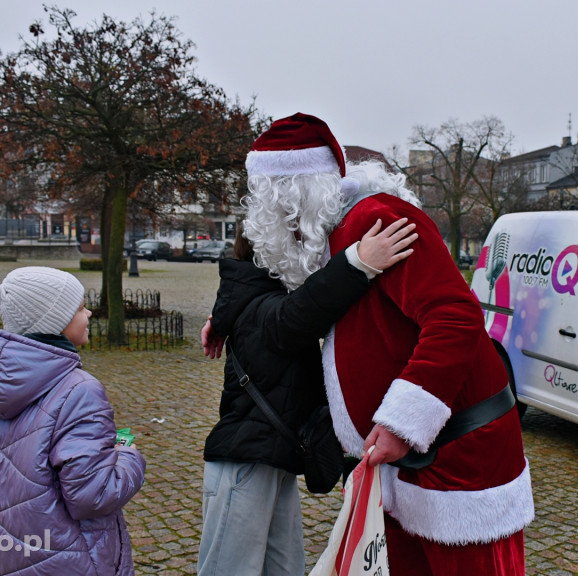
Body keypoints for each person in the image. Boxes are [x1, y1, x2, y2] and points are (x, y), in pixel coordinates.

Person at [240, 113, 534, 575]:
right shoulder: (335, 239)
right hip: (410, 467)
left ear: (296, 197)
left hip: (458, 462)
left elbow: (455, 317)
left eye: (278, 210)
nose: (279, 225)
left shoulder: (376, 218)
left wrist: (400, 424)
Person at [197, 217, 417, 576]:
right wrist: (359, 262)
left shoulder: (251, 298)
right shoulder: (258, 308)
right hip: (244, 465)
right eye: (296, 240)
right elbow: (299, 314)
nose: (306, 247)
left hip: (271, 462)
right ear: (270, 249)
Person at [0, 266, 145, 576]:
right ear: (53, 320)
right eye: (78, 308)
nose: (88, 313)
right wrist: (128, 454)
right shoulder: (79, 390)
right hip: (73, 561)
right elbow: (94, 495)